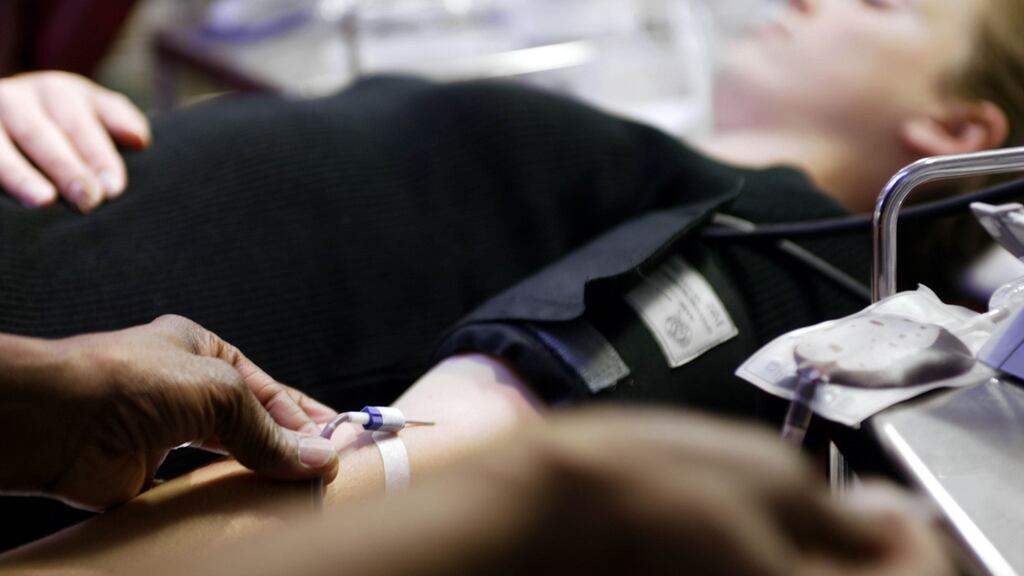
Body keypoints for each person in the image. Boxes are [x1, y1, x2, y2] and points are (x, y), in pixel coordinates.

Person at [0, 0, 1021, 566]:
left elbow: (375, 482)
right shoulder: (651, 172)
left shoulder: (795, 253)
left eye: (877, 3)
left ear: (954, 129)